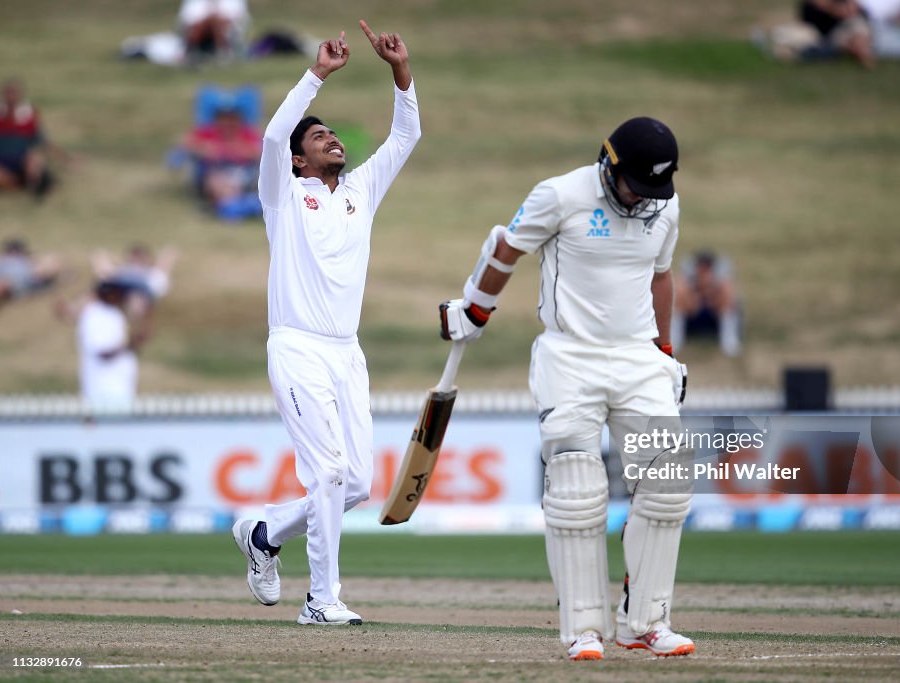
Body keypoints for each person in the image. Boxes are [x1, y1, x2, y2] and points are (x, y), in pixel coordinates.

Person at [439, 117, 693, 660]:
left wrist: (666, 353)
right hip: (570, 356)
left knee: (669, 482)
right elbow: (508, 248)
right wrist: (476, 308)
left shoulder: (664, 206)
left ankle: (645, 621)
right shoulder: (560, 194)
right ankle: (584, 628)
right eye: (634, 187)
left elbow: (661, 276)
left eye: (654, 191)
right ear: (608, 164)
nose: (641, 201)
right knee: (577, 490)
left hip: (637, 355)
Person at [231, 21, 420, 626]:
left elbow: (406, 135)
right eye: (319, 135)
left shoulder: (361, 189)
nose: (331, 138)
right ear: (297, 157)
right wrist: (317, 76)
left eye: (334, 133)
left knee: (357, 483)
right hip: (297, 348)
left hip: (347, 352)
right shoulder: (282, 194)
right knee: (329, 472)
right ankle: (321, 600)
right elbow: (269, 137)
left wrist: (399, 70)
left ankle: (265, 532)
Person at [76, 280, 151, 410]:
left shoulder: (115, 315)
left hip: (120, 388)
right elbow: (102, 353)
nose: (122, 296)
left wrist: (134, 343)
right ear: (109, 294)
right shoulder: (94, 315)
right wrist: (130, 345)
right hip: (103, 391)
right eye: (118, 293)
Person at [181, 102, 262, 219]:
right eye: (223, 119)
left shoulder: (247, 133)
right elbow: (185, 144)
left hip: (241, 172)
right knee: (217, 180)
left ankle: (227, 208)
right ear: (217, 120)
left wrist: (237, 150)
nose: (228, 123)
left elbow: (260, 152)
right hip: (214, 172)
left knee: (232, 182)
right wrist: (204, 149)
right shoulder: (208, 132)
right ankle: (233, 208)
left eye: (232, 119)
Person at [672, 250, 742, 357]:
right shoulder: (688, 281)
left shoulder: (721, 282)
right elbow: (682, 299)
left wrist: (711, 296)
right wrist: (695, 300)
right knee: (679, 294)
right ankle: (674, 339)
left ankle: (729, 341)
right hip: (692, 319)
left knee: (727, 293)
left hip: (715, 319)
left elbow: (731, 299)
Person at [0, 78, 54, 198]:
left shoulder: (28, 115)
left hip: (21, 159)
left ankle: (33, 185)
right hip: (0, 161)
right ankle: (19, 184)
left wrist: (67, 159)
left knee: (34, 162)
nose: (11, 96)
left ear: (20, 95)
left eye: (14, 93)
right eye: (8, 92)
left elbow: (41, 140)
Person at [798, 0, 877, 67]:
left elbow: (861, 13)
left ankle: (864, 55)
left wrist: (850, 9)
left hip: (847, 30)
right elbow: (807, 14)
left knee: (858, 29)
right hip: (823, 34)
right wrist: (834, 9)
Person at [0, 238, 62, 313]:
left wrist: (39, 271)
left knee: (3, 285)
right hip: (7, 279)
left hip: (18, 281)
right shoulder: (2, 260)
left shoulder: (29, 260)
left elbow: (52, 265)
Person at [177, 0, 250, 63]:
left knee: (216, 23)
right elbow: (187, 20)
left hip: (224, 30)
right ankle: (192, 53)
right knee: (203, 25)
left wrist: (213, 20)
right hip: (201, 31)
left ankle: (221, 52)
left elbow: (238, 19)